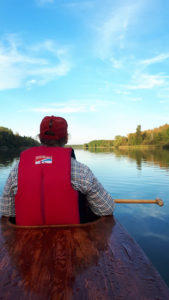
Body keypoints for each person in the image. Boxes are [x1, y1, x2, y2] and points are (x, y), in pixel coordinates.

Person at [0, 116, 115, 226]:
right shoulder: (81, 170)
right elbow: (106, 209)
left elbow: (7, 212)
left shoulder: (17, 169)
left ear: (40, 137)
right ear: (66, 138)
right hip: (70, 237)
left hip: (27, 239)